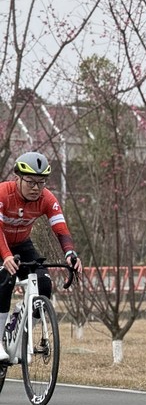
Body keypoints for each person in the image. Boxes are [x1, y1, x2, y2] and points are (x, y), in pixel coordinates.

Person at [0, 152, 82, 361]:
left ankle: (20, 328)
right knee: (4, 282)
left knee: (44, 284)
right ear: (17, 177)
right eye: (30, 182)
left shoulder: (47, 198)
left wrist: (70, 254)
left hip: (22, 244)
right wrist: (7, 256)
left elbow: (61, 229)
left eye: (41, 182)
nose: (36, 188)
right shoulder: (3, 193)